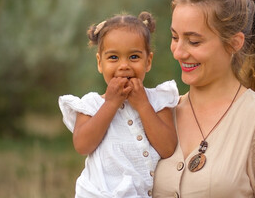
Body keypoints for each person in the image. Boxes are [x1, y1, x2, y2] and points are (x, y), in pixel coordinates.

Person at [153, 0, 255, 197]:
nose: (179, 52)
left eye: (194, 41)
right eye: (174, 37)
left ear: (234, 43)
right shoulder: (162, 113)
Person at [59, 11, 179, 197]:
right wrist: (111, 103)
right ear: (100, 63)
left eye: (134, 57)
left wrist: (143, 105)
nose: (124, 66)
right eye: (113, 57)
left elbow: (168, 148)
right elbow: (82, 145)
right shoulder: (91, 104)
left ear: (148, 61)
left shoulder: (157, 101)